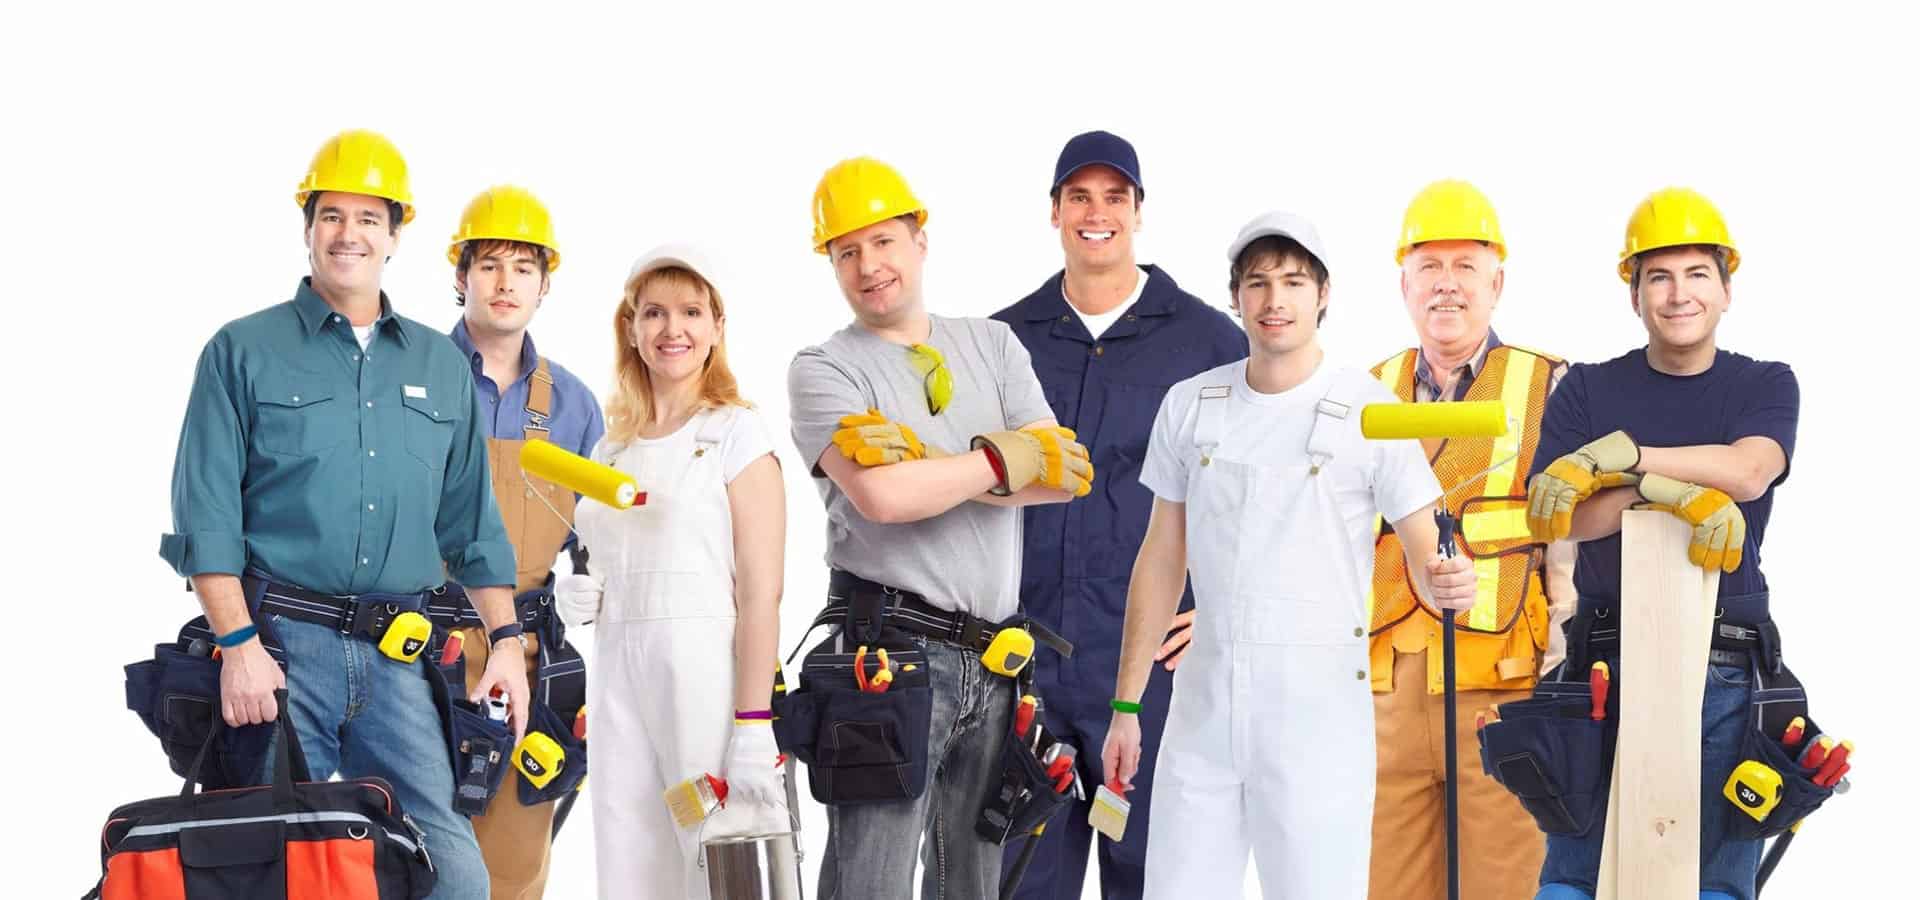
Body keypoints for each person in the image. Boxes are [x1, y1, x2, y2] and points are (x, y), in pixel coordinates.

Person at [160, 129, 525, 899]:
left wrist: (508, 643)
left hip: (399, 657)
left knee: (454, 875)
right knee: (262, 869)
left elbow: (473, 528)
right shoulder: (242, 351)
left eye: (367, 218)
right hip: (281, 652)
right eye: (331, 215)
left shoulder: (438, 367)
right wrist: (237, 645)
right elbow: (207, 513)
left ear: (396, 235)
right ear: (308, 228)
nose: (348, 233)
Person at [1101, 211, 1477, 898]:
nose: (1275, 301)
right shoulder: (1191, 405)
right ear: (1236, 297)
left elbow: (1429, 550)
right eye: (1258, 283)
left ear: (1323, 294)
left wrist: (1451, 581)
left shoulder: (1368, 410)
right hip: (1202, 709)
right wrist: (1126, 707)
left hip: (1318, 717)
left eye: (1294, 282)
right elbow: (1160, 559)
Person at [788, 157, 1093, 898]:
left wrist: (929, 462)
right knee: (872, 880)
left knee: (973, 883)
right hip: (884, 654)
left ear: (920, 240)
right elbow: (883, 500)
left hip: (995, 658)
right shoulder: (823, 368)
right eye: (846, 252)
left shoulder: (992, 345)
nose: (869, 266)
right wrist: (1002, 457)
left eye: (883, 241)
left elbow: (1063, 477)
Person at [1521, 187, 1804, 900]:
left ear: (1727, 289)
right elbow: (1556, 519)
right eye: (1658, 277)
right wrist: (1661, 491)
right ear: (1635, 294)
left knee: (1712, 881)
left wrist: (1625, 459)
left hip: (1727, 664)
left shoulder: (1764, 382)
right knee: (1576, 877)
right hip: (1602, 666)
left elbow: (1748, 470)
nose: (1679, 295)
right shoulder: (1585, 388)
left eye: (1696, 274)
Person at [990, 129, 1244, 900]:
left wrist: (1226, 602)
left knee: (1158, 880)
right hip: (1022, 667)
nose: (1096, 214)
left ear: (1138, 211)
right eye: (1079, 197)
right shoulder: (1004, 340)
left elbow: (1261, 487)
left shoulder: (1207, 342)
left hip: (1154, 671)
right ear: (1056, 212)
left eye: (1113, 197)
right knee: (1020, 882)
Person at [556, 246, 789, 899]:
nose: (671, 329)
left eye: (690, 311)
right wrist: (587, 593)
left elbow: (762, 590)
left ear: (717, 325)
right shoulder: (613, 448)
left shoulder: (737, 434)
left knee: (723, 867)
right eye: (653, 312)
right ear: (630, 327)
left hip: (706, 683)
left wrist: (752, 723)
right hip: (619, 682)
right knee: (631, 861)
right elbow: (606, 558)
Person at [1365, 179, 1574, 900]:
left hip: (1505, 689)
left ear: (1497, 281)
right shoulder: (1364, 391)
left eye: (1464, 266)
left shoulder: (1551, 387)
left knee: (1510, 889)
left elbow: (1573, 547)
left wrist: (1565, 674)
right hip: (1386, 694)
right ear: (1404, 283)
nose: (1445, 285)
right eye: (1429, 266)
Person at [442, 185, 602, 899]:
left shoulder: (572, 404)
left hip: (529, 658)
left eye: (523, 267)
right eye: (489, 264)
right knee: (404, 842)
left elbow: (601, 536)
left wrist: (600, 580)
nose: (505, 283)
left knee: (512, 859)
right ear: (460, 276)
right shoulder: (411, 378)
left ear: (545, 283)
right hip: (419, 647)